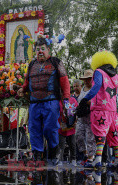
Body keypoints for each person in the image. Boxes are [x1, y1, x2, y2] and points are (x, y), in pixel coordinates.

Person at [18, 37, 71, 166]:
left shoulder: (56, 62)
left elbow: (65, 81)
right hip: (34, 103)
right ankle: (37, 156)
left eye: (43, 49)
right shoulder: (31, 64)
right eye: (37, 49)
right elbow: (27, 82)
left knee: (50, 128)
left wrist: (66, 100)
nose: (40, 52)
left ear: (49, 50)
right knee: (34, 129)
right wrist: (22, 89)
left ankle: (54, 152)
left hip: (51, 102)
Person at [77, 51, 118, 169]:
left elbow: (96, 87)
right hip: (113, 111)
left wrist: (85, 99)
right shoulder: (116, 76)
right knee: (114, 134)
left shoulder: (98, 72)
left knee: (100, 134)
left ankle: (98, 160)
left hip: (100, 109)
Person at [75, 69, 96, 165]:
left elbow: (98, 103)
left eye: (89, 79)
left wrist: (87, 102)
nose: (87, 81)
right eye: (86, 79)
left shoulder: (95, 89)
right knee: (78, 136)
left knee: (90, 138)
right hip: (80, 118)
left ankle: (91, 158)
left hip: (90, 119)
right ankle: (86, 154)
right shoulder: (83, 88)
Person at [58, 95, 78, 165]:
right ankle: (60, 160)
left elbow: (77, 111)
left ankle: (73, 159)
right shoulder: (59, 100)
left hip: (71, 126)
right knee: (61, 145)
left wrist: (75, 122)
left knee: (72, 144)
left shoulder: (73, 100)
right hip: (61, 126)